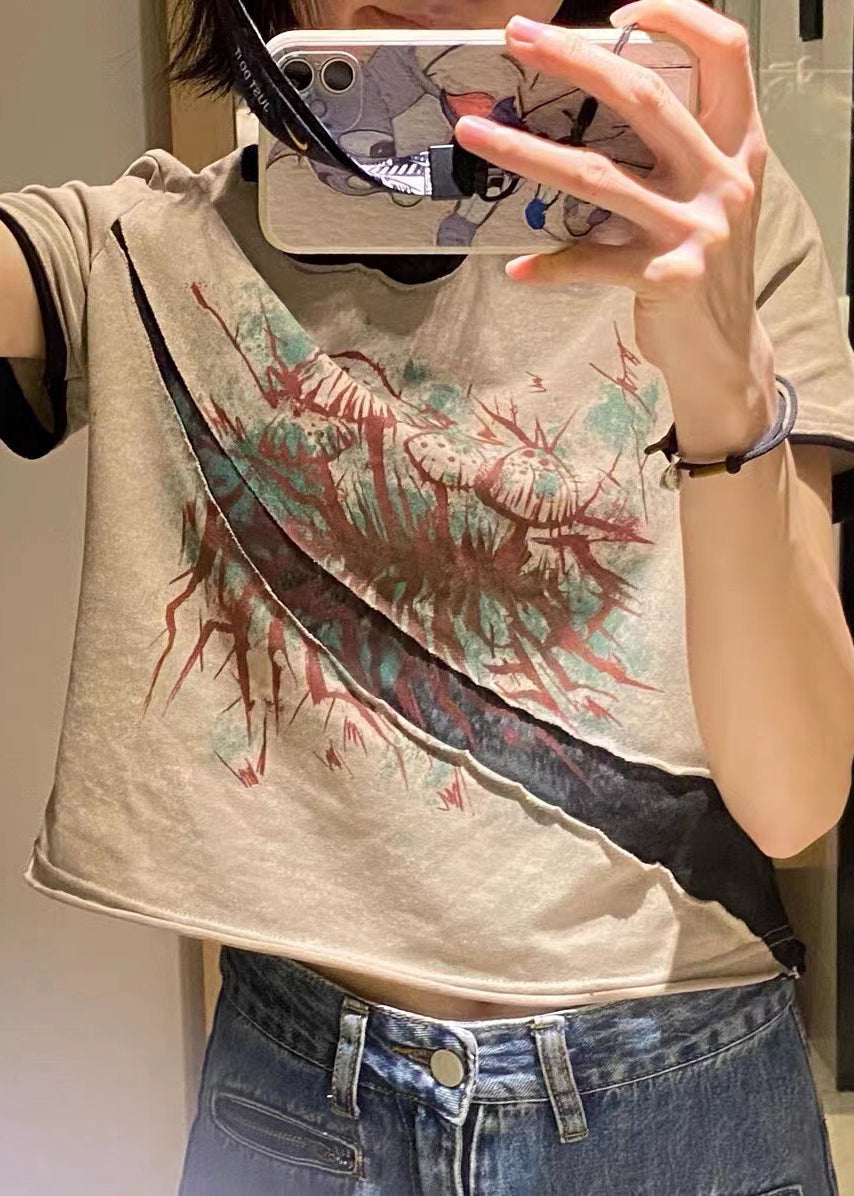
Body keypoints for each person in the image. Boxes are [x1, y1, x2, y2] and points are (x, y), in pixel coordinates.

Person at [2, 0, 853, 1190]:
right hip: (298, 1101)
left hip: (679, 1097)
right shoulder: (146, 248)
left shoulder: (718, 235)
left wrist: (724, 393)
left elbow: (794, 797)